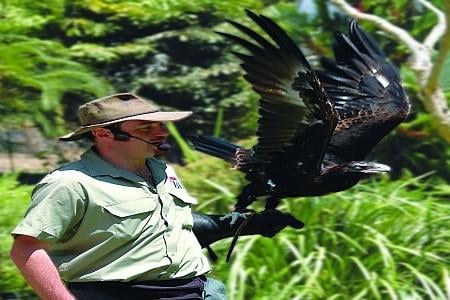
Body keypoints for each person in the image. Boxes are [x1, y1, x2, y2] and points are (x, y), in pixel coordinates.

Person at [10, 93, 303, 300]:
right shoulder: (71, 183)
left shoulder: (163, 171)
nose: (160, 132)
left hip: (195, 292)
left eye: (161, 124)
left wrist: (235, 225)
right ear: (104, 134)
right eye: (146, 127)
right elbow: (26, 249)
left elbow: (166, 227)